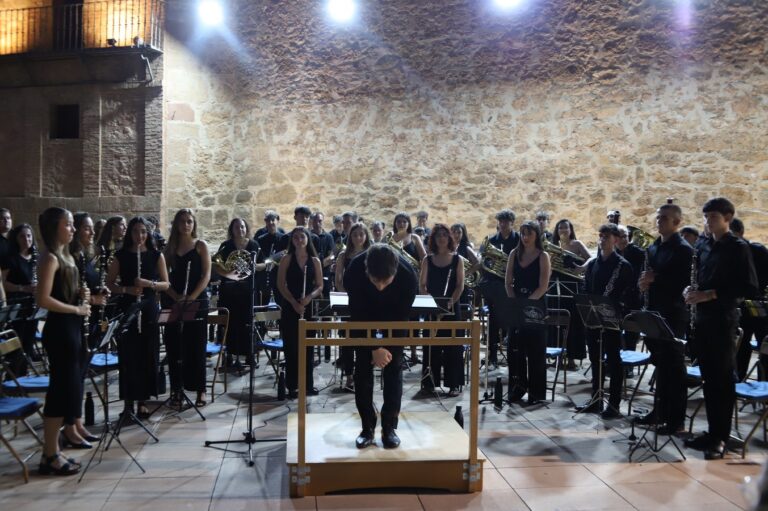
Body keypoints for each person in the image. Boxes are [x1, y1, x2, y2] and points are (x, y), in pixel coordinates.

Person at [684, 198, 759, 459]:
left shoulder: (738, 248)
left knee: (723, 382)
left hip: (723, 321)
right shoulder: (703, 245)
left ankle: (721, 438)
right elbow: (701, 279)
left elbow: (749, 287)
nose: (708, 221)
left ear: (727, 218)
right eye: (705, 217)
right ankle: (711, 432)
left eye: (713, 217)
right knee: (709, 379)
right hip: (702, 319)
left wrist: (710, 294)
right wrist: (690, 290)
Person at [344, 244, 418, 449]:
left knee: (394, 370)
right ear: (367, 270)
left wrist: (385, 346)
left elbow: (401, 315)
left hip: (395, 322)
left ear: (395, 272)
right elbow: (358, 313)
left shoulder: (408, 276)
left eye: (386, 281)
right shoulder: (355, 270)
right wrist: (374, 347)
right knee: (362, 371)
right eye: (376, 281)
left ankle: (389, 427)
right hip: (364, 320)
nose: (380, 287)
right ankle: (367, 427)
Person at [35, 207, 90, 475]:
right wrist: (76, 309)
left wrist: (81, 295)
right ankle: (49, 455)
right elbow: (43, 299)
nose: (73, 229)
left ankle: (54, 451)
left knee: (67, 390)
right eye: (67, 224)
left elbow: (62, 292)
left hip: (71, 329)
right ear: (53, 228)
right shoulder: (50, 258)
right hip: (59, 330)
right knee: (58, 393)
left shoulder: (65, 255)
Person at [636, 202, 692, 434]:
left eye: (664, 218)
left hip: (673, 314)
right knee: (660, 365)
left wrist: (654, 279)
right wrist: (643, 284)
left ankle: (676, 420)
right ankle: (659, 411)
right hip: (654, 311)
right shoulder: (653, 248)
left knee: (674, 368)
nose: (659, 221)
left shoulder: (684, 250)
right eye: (658, 217)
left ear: (676, 222)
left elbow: (683, 284)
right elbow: (648, 277)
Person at [107, 216, 170, 419]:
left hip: (149, 308)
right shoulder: (121, 255)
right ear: (130, 233)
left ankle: (143, 400)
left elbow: (166, 284)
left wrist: (149, 284)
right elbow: (109, 284)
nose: (139, 235)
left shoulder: (156, 255)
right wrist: (127, 289)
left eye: (143, 231)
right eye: (135, 231)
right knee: (128, 355)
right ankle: (128, 403)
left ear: (148, 234)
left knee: (147, 353)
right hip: (128, 308)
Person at [578, 223, 634, 419]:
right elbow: (586, 287)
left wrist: (611, 306)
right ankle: (596, 399)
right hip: (593, 318)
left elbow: (629, 295)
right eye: (600, 236)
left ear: (615, 240)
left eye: (606, 237)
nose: (602, 240)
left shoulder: (623, 266)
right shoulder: (593, 263)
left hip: (612, 320)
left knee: (613, 361)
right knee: (595, 359)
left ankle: (614, 404)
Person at [65, 212, 109, 448]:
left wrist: (99, 291)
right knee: (73, 378)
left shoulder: (83, 256)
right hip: (73, 323)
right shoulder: (70, 258)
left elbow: (86, 287)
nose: (92, 233)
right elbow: (69, 295)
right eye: (86, 228)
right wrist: (92, 300)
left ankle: (78, 423)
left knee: (80, 376)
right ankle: (69, 427)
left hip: (86, 323)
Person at [163, 209, 211, 408]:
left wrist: (190, 299)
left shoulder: (200, 245)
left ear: (194, 224)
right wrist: (176, 297)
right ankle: (177, 390)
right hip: (174, 300)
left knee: (196, 346)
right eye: (182, 221)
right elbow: (163, 277)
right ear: (176, 224)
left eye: (189, 221)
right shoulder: (169, 248)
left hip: (196, 301)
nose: (186, 225)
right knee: (174, 346)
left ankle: (200, 390)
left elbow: (206, 276)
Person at [504, 221, 552, 405]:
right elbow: (508, 282)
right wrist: (514, 302)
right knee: (515, 350)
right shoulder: (514, 254)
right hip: (517, 305)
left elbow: (543, 286)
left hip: (536, 307)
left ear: (536, 236)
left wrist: (527, 304)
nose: (525, 237)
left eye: (529, 234)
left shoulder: (543, 256)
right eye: (523, 233)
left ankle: (536, 393)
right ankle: (517, 388)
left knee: (535, 352)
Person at [276, 227, 323, 399]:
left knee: (308, 347)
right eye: (295, 237)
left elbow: (320, 286)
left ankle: (307, 385)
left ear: (307, 239)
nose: (299, 240)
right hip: (290, 306)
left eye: (302, 237)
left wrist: (309, 297)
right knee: (292, 347)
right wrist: (293, 302)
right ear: (292, 241)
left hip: (307, 306)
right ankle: (292, 385)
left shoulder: (315, 261)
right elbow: (281, 284)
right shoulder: (286, 259)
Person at [419, 224, 464, 396]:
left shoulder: (457, 259)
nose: (442, 238)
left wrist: (449, 303)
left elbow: (459, 285)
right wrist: (432, 304)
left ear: (449, 238)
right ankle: (430, 382)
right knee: (431, 346)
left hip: (451, 307)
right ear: (434, 239)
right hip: (432, 308)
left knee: (453, 346)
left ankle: (454, 384)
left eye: (445, 235)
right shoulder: (427, 260)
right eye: (438, 235)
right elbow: (422, 285)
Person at [478, 209, 519, 369]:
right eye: (500, 221)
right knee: (493, 321)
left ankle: (513, 355)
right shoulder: (492, 240)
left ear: (512, 223)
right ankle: (492, 355)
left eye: (506, 221)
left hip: (513, 286)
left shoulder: (518, 240)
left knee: (512, 320)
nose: (503, 224)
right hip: (495, 285)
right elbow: (484, 261)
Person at [217, 218, 261, 368]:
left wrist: (253, 266)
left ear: (246, 228)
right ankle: (228, 354)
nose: (240, 230)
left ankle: (249, 354)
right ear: (232, 229)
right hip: (229, 291)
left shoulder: (254, 245)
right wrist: (229, 273)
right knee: (230, 323)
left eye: (242, 227)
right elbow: (217, 265)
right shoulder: (226, 245)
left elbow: (261, 264)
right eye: (237, 227)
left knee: (247, 323)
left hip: (248, 290)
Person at [334, 222, 372, 391]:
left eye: (361, 234)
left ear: (366, 236)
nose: (358, 238)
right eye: (355, 235)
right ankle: (349, 376)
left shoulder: (371, 253)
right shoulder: (344, 255)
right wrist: (348, 296)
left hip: (367, 303)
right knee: (348, 341)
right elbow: (338, 281)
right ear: (350, 237)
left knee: (365, 340)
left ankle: (363, 375)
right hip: (349, 302)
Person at [730, 218, 768, 380]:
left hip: (759, 306)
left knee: (764, 347)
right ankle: (738, 382)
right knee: (741, 347)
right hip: (740, 308)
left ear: (740, 232)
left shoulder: (757, 250)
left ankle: (764, 385)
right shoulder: (729, 253)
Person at [551, 218, 591, 368]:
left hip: (573, 286)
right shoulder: (553, 246)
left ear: (570, 230)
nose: (563, 230)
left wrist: (582, 268)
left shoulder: (577, 244)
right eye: (560, 228)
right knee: (556, 322)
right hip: (556, 286)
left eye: (565, 228)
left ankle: (572, 357)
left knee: (573, 323)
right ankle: (557, 355)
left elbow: (591, 258)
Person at [2, 223, 40, 367]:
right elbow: (3, 283)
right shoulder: (10, 258)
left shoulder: (36, 257)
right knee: (17, 345)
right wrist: (23, 288)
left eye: (29, 236)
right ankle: (13, 374)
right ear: (16, 239)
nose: (26, 239)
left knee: (29, 343)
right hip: (17, 306)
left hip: (33, 306)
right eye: (22, 236)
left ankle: (23, 372)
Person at [616, 225, 645, 353]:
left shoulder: (638, 253)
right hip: (617, 298)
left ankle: (629, 360)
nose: (623, 240)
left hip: (633, 297)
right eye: (620, 237)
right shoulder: (612, 253)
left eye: (625, 236)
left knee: (631, 334)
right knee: (614, 334)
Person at [255, 211, 283, 305]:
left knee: (281, 303)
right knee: (263, 304)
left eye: (272, 220)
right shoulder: (261, 239)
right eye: (268, 220)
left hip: (278, 275)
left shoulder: (284, 238)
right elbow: (260, 258)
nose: (270, 223)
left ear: (277, 220)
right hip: (265, 275)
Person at [310, 211, 335, 297]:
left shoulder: (329, 237)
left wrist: (318, 265)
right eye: (315, 221)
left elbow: (331, 256)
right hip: (310, 276)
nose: (317, 223)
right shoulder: (308, 236)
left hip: (325, 275)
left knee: (325, 300)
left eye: (320, 221)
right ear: (312, 222)